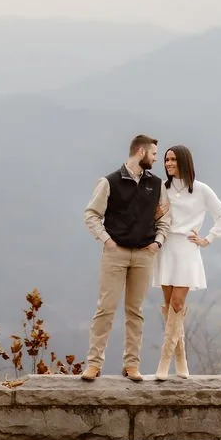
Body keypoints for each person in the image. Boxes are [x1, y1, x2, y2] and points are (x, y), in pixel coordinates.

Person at [81, 134, 171, 382]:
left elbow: (164, 217)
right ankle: (93, 364)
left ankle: (132, 365)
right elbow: (91, 214)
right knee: (105, 309)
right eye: (153, 154)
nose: (156, 159)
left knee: (135, 311)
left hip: (145, 254)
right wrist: (107, 241)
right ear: (141, 152)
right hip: (116, 253)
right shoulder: (109, 182)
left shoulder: (157, 184)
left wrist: (157, 242)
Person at [152, 144, 221, 380]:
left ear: (184, 161)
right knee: (169, 309)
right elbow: (152, 215)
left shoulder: (201, 190)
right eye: (166, 160)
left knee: (177, 303)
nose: (168, 164)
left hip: (187, 248)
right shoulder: (161, 189)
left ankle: (164, 362)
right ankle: (181, 360)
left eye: (173, 160)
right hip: (166, 247)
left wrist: (208, 238)